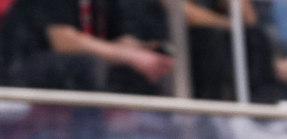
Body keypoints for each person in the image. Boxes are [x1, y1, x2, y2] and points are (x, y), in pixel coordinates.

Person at [0, 0, 172, 93]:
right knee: (89, 65)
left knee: (145, 70)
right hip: (20, 68)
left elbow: (116, 39)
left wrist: (142, 50)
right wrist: (130, 56)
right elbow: (64, 40)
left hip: (81, 64)